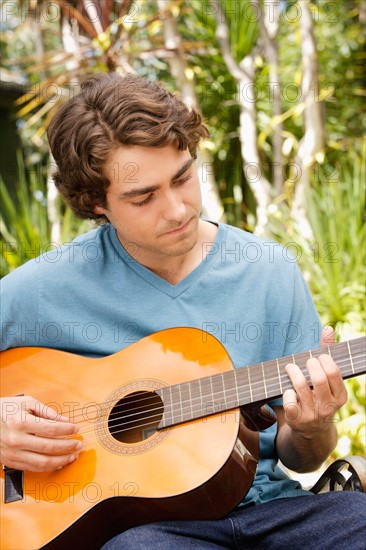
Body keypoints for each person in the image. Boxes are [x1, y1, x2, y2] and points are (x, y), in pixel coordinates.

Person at [0, 72, 364, 549]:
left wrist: (311, 425)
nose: (176, 209)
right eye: (143, 196)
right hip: (146, 530)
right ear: (96, 203)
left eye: (183, 177)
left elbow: (300, 458)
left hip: (274, 510)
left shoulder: (269, 270)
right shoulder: (39, 290)